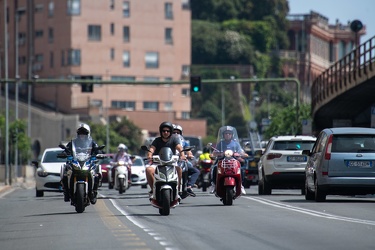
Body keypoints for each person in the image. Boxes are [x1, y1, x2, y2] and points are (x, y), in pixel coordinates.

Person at [61, 123, 102, 203]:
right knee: (65, 173)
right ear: (78, 134)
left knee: (97, 174)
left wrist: (98, 153)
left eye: (84, 133)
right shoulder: (73, 142)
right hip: (76, 162)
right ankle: (66, 193)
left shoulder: (92, 142)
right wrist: (65, 153)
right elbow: (67, 150)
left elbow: (98, 150)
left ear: (88, 134)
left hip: (87, 162)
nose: (82, 135)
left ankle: (94, 192)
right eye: (80, 133)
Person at [146, 122, 186, 199]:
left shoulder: (174, 139)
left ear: (170, 132)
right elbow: (152, 149)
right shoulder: (157, 140)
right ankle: (153, 190)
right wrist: (149, 155)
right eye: (164, 131)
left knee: (179, 169)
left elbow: (179, 147)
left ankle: (177, 190)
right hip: (158, 163)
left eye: (167, 131)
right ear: (161, 131)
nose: (165, 132)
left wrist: (182, 155)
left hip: (171, 163)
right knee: (148, 170)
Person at [209, 125, 248, 195]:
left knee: (241, 169)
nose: (227, 135)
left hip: (234, 161)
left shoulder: (236, 144)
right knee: (215, 168)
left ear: (232, 135)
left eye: (229, 133)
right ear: (223, 135)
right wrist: (214, 155)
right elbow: (214, 152)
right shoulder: (220, 143)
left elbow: (241, 151)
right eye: (226, 133)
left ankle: (241, 185)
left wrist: (243, 154)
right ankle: (214, 184)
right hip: (222, 160)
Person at [173, 124, 199, 197]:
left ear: (181, 133)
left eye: (178, 132)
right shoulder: (168, 141)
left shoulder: (184, 142)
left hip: (181, 161)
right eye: (174, 132)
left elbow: (188, 151)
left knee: (195, 171)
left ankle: (189, 186)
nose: (176, 134)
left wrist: (189, 155)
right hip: (170, 161)